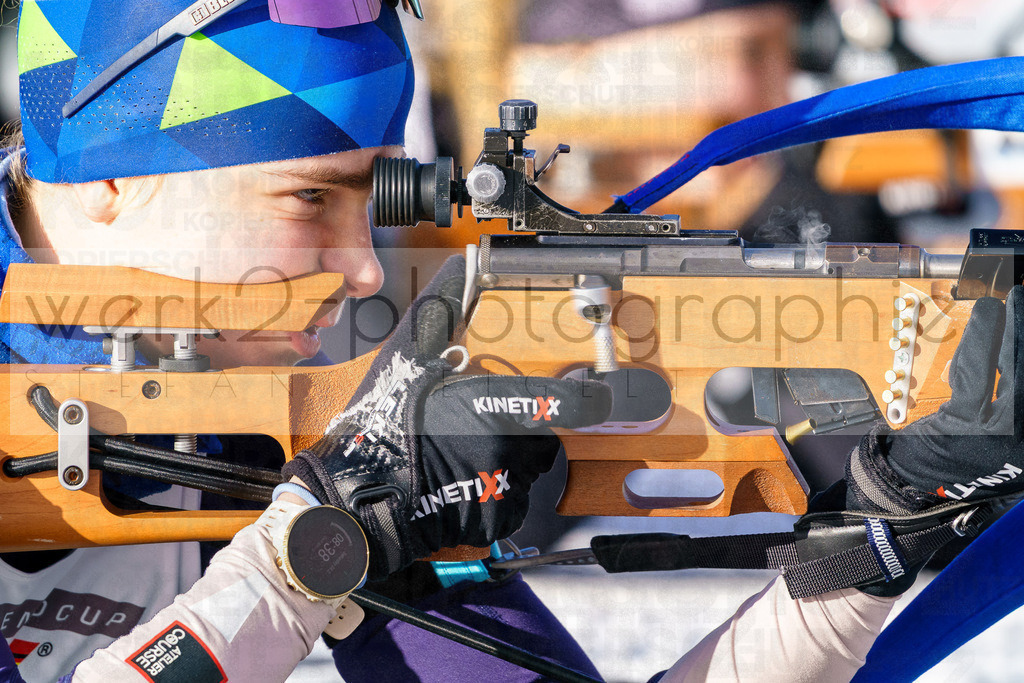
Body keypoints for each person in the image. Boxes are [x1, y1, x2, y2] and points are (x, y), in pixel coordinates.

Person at [1, 2, 1020, 683]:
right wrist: (304, 555)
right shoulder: (291, 456)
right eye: (308, 197)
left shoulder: (273, 415)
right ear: (107, 179)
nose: (364, 270)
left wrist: (875, 536)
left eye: (370, 202)